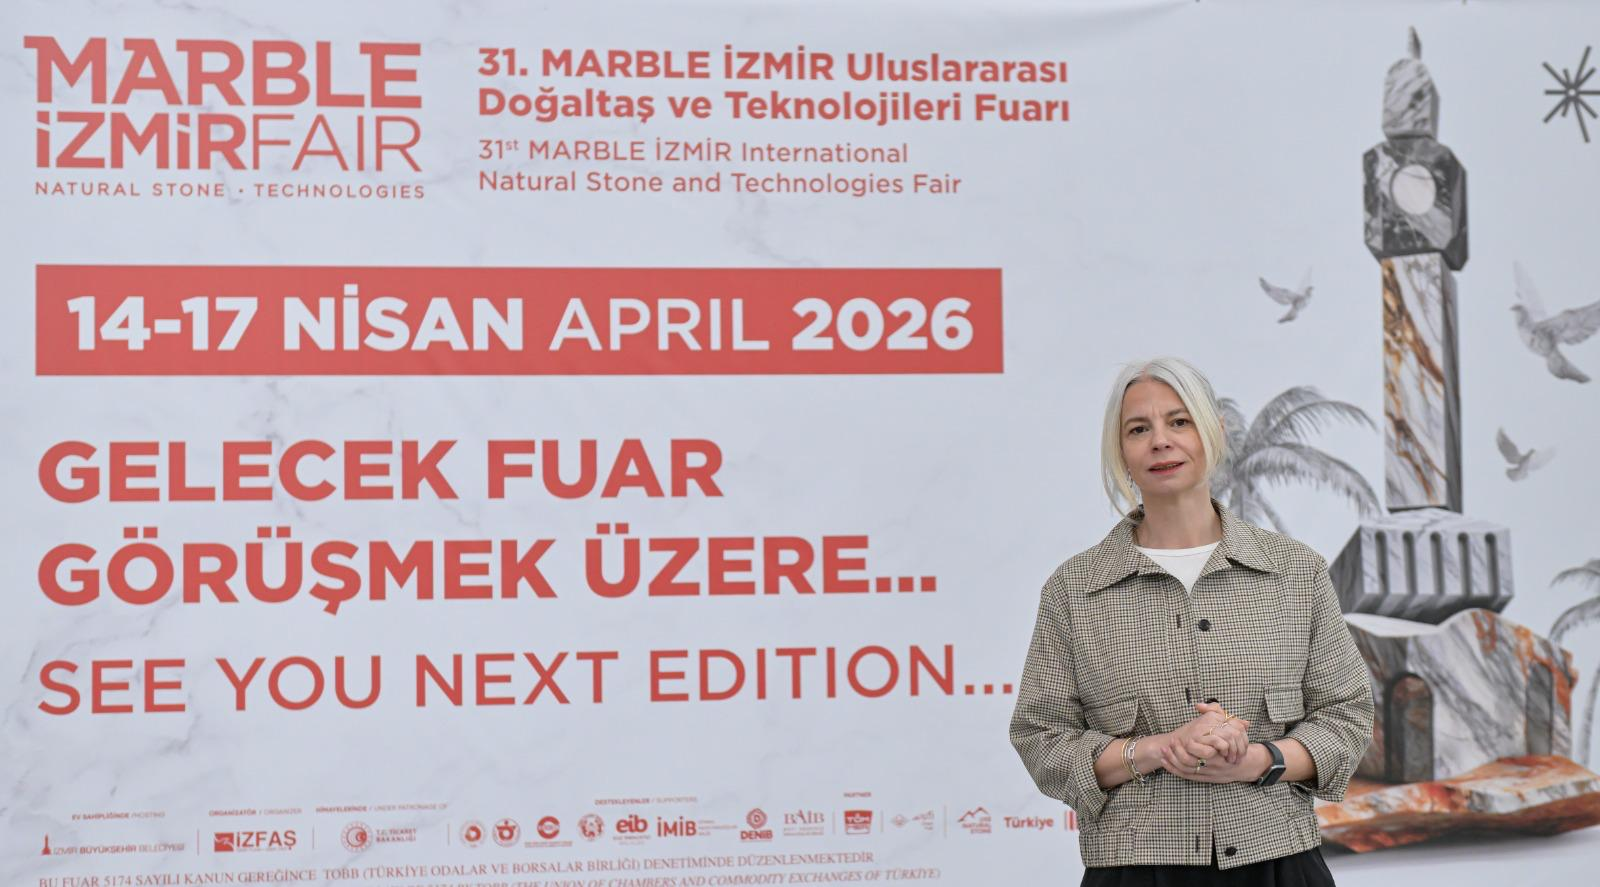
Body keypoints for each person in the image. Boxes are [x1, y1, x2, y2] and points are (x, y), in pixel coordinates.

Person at [1010, 357, 1374, 885]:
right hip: (1135, 870)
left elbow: (1347, 716)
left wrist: (1259, 760)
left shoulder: (1296, 572)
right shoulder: (1075, 589)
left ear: (1213, 432)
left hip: (1278, 863)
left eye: (1178, 421)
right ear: (1121, 452)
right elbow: (1040, 736)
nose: (1160, 441)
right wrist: (1154, 750)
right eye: (1138, 429)